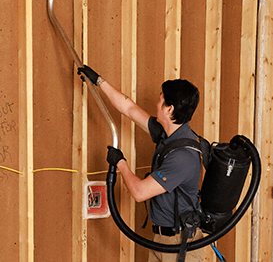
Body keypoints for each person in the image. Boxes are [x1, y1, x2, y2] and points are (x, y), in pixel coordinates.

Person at [78, 65, 204, 262]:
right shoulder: (168, 135)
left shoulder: (182, 157)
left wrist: (120, 163)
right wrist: (98, 80)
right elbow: (129, 108)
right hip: (162, 240)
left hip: (181, 246)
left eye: (160, 100)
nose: (156, 103)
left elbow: (139, 192)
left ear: (169, 109)